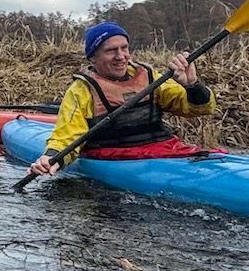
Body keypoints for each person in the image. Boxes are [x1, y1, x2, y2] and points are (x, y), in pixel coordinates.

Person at [29, 21, 214, 176]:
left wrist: (192, 85)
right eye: (111, 50)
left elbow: (199, 109)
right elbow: (67, 136)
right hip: (113, 156)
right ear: (93, 57)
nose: (121, 56)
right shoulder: (81, 91)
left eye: (124, 48)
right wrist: (52, 157)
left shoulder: (149, 77)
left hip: (163, 149)